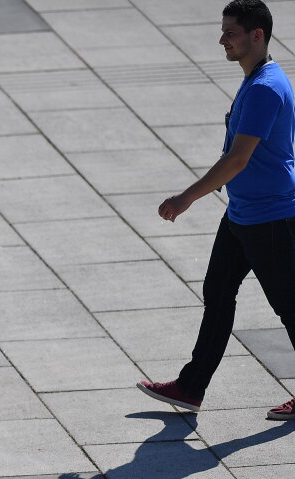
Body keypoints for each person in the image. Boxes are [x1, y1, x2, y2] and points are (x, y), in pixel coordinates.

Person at [139, 0, 295, 420]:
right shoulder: (257, 78)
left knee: (290, 305)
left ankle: (192, 385)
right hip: (244, 213)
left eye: (231, 32)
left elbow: (237, 160)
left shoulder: (264, 87)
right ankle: (191, 388)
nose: (222, 39)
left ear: (256, 35)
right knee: (218, 293)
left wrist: (186, 197)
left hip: (270, 218)